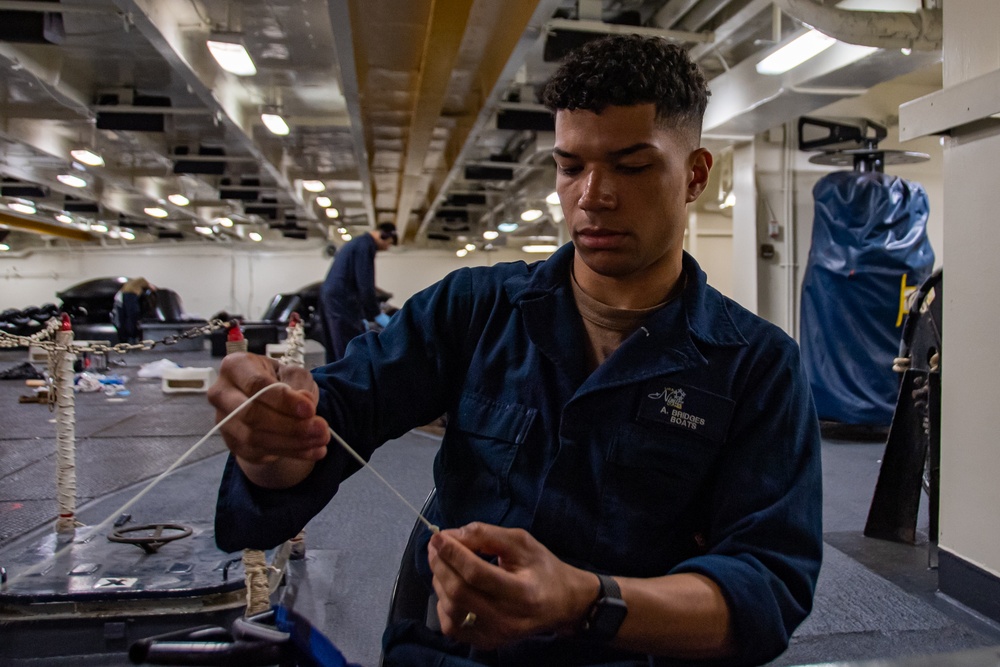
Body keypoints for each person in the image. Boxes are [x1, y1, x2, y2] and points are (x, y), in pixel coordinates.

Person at [209, 34, 822, 667]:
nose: (592, 196)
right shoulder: (472, 310)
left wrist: (587, 600)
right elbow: (327, 426)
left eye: (631, 166)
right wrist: (268, 438)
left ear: (694, 174)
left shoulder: (755, 366)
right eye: (570, 166)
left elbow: (766, 588)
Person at [318, 222, 397, 363]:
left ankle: (335, 382)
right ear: (383, 235)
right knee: (349, 350)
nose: (387, 248)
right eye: (389, 243)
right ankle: (347, 383)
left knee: (336, 349)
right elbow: (365, 284)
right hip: (342, 300)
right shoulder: (366, 246)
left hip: (331, 297)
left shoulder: (357, 243)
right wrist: (376, 314)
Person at [112, 276, 155, 344]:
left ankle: (126, 338)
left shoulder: (125, 289)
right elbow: (132, 315)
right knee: (132, 317)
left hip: (120, 302)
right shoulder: (137, 287)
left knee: (124, 319)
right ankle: (132, 338)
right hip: (129, 296)